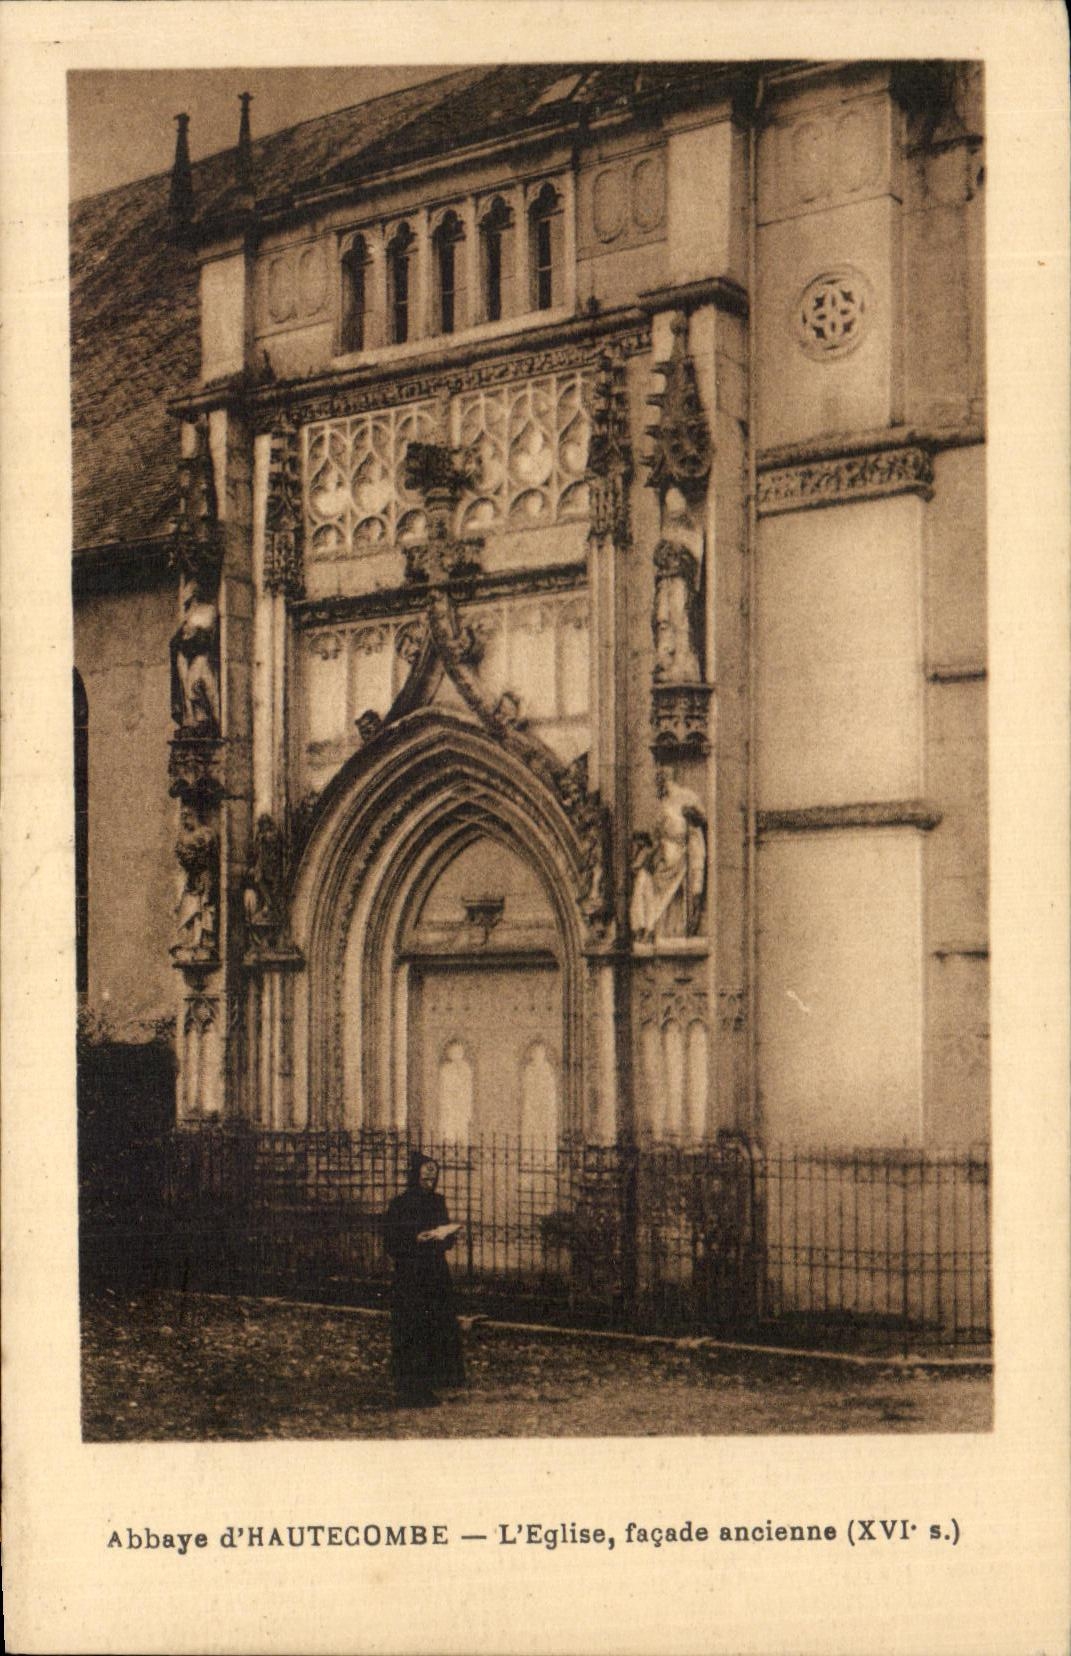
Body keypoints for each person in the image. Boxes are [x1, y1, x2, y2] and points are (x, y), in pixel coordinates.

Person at [383, 1152, 465, 1408]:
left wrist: (445, 1235)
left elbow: (447, 1240)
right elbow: (391, 1242)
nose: (430, 1180)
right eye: (425, 1176)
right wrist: (414, 1240)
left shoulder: (438, 1202)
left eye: (433, 1176)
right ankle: (410, 1386)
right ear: (415, 1176)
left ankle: (432, 1382)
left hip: (435, 1274)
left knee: (435, 1326)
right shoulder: (400, 1204)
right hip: (410, 1275)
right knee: (412, 1328)